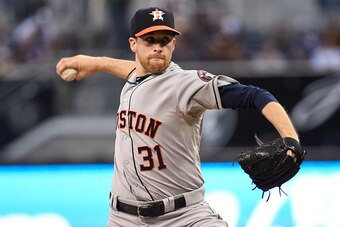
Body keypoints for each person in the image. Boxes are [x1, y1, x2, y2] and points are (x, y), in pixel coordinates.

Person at [56, 7, 300, 227]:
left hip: (184, 216)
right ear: (133, 43)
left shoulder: (186, 83)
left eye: (165, 40)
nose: (157, 47)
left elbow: (256, 95)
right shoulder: (134, 77)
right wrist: (95, 63)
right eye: (149, 40)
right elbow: (132, 70)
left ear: (173, 44)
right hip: (123, 218)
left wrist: (291, 139)